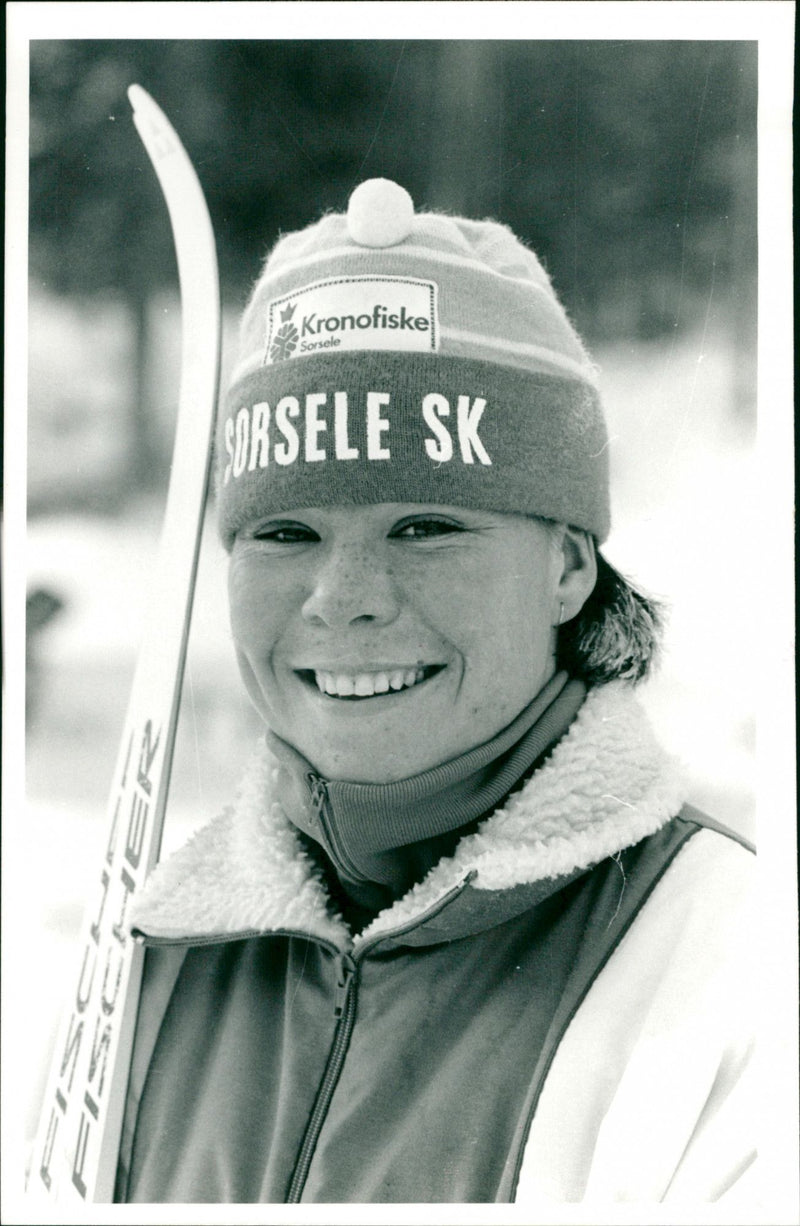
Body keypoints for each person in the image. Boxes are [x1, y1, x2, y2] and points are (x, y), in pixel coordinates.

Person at [113, 179, 755, 1205]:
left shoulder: (735, 973)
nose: (343, 600)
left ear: (567, 566)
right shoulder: (148, 967)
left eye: (425, 526)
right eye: (285, 531)